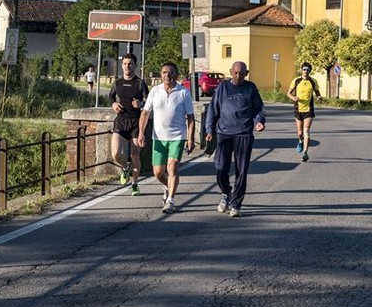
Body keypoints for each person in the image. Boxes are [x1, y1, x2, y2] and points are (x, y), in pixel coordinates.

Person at [205, 61, 265, 218]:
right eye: (236, 72)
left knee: (242, 170)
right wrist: (209, 129)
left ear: (247, 73)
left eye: (242, 73)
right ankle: (226, 193)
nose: (238, 76)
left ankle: (236, 204)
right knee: (220, 168)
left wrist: (259, 121)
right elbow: (213, 110)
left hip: (244, 134)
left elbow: (259, 109)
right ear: (231, 72)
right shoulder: (223, 87)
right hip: (224, 133)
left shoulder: (250, 88)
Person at [137, 62, 195, 214]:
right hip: (158, 137)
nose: (167, 75)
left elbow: (190, 118)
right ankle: (168, 188)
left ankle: (170, 200)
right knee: (157, 172)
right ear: (161, 74)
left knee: (172, 167)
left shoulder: (183, 93)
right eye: (164, 72)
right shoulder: (155, 91)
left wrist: (190, 139)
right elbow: (145, 113)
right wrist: (141, 133)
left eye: (170, 72)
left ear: (176, 74)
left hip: (177, 136)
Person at [109, 53, 149, 196]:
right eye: (125, 64)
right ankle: (125, 167)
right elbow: (111, 96)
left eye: (130, 64)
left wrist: (141, 104)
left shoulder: (140, 83)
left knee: (135, 155)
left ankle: (135, 185)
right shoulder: (117, 82)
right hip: (121, 120)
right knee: (115, 154)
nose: (127, 66)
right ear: (122, 65)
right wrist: (113, 104)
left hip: (136, 122)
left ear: (135, 65)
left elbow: (149, 101)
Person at [286, 61, 322, 162]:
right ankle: (300, 141)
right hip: (298, 109)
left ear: (310, 71)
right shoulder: (296, 81)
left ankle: (305, 152)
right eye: (304, 69)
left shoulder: (313, 81)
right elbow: (288, 93)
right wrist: (293, 98)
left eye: (307, 70)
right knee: (300, 132)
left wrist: (319, 97)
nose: (305, 71)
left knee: (306, 130)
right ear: (301, 70)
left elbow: (317, 93)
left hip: (308, 110)